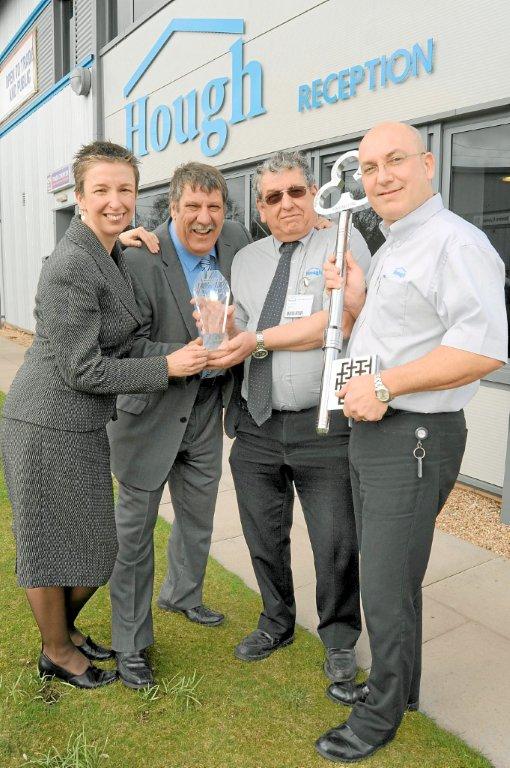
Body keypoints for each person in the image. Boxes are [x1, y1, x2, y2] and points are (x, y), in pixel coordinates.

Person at [314, 122, 507, 763]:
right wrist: (360, 298)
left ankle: (380, 715)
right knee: (390, 576)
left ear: (427, 164)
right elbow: (407, 330)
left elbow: (482, 349)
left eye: (395, 160)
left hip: (413, 433)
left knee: (385, 580)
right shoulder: (396, 244)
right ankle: (403, 689)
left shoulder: (456, 242)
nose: (381, 176)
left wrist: (388, 387)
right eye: (369, 167)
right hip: (377, 431)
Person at [0, 141, 202, 689]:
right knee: (48, 545)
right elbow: (86, 369)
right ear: (80, 196)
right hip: (44, 423)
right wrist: (168, 366)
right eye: (102, 190)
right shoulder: (71, 265)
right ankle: (57, 651)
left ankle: (60, 631)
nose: (116, 201)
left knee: (96, 547)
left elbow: (115, 338)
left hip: (82, 424)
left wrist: (120, 243)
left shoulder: (103, 249)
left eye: (126, 190)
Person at [206, 151, 370, 681]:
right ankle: (276, 620)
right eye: (273, 197)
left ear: (314, 193)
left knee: (335, 539)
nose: (287, 204)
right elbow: (244, 336)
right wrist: (227, 330)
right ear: (260, 206)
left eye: (296, 192)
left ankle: (340, 636)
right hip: (256, 421)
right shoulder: (247, 260)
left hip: (323, 424)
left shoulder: (342, 241)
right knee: (262, 534)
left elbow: (338, 321)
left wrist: (255, 338)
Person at [107, 162, 251, 689]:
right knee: (134, 537)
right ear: (172, 207)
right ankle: (130, 643)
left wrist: (323, 230)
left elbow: (278, 256)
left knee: (198, 518)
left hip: (206, 414)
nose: (204, 218)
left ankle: (183, 595)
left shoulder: (235, 240)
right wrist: (181, 355)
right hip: (149, 415)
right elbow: (121, 346)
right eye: (193, 206)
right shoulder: (137, 257)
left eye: (214, 206)